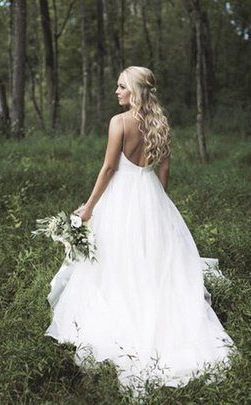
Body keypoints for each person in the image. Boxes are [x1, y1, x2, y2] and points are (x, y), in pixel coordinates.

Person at [45, 66, 235, 391]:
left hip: (121, 195)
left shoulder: (118, 123)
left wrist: (89, 207)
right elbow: (164, 166)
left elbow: (108, 169)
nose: (116, 92)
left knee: (115, 259)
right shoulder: (159, 122)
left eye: (121, 87)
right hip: (151, 193)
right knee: (153, 260)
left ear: (134, 90)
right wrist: (158, 202)